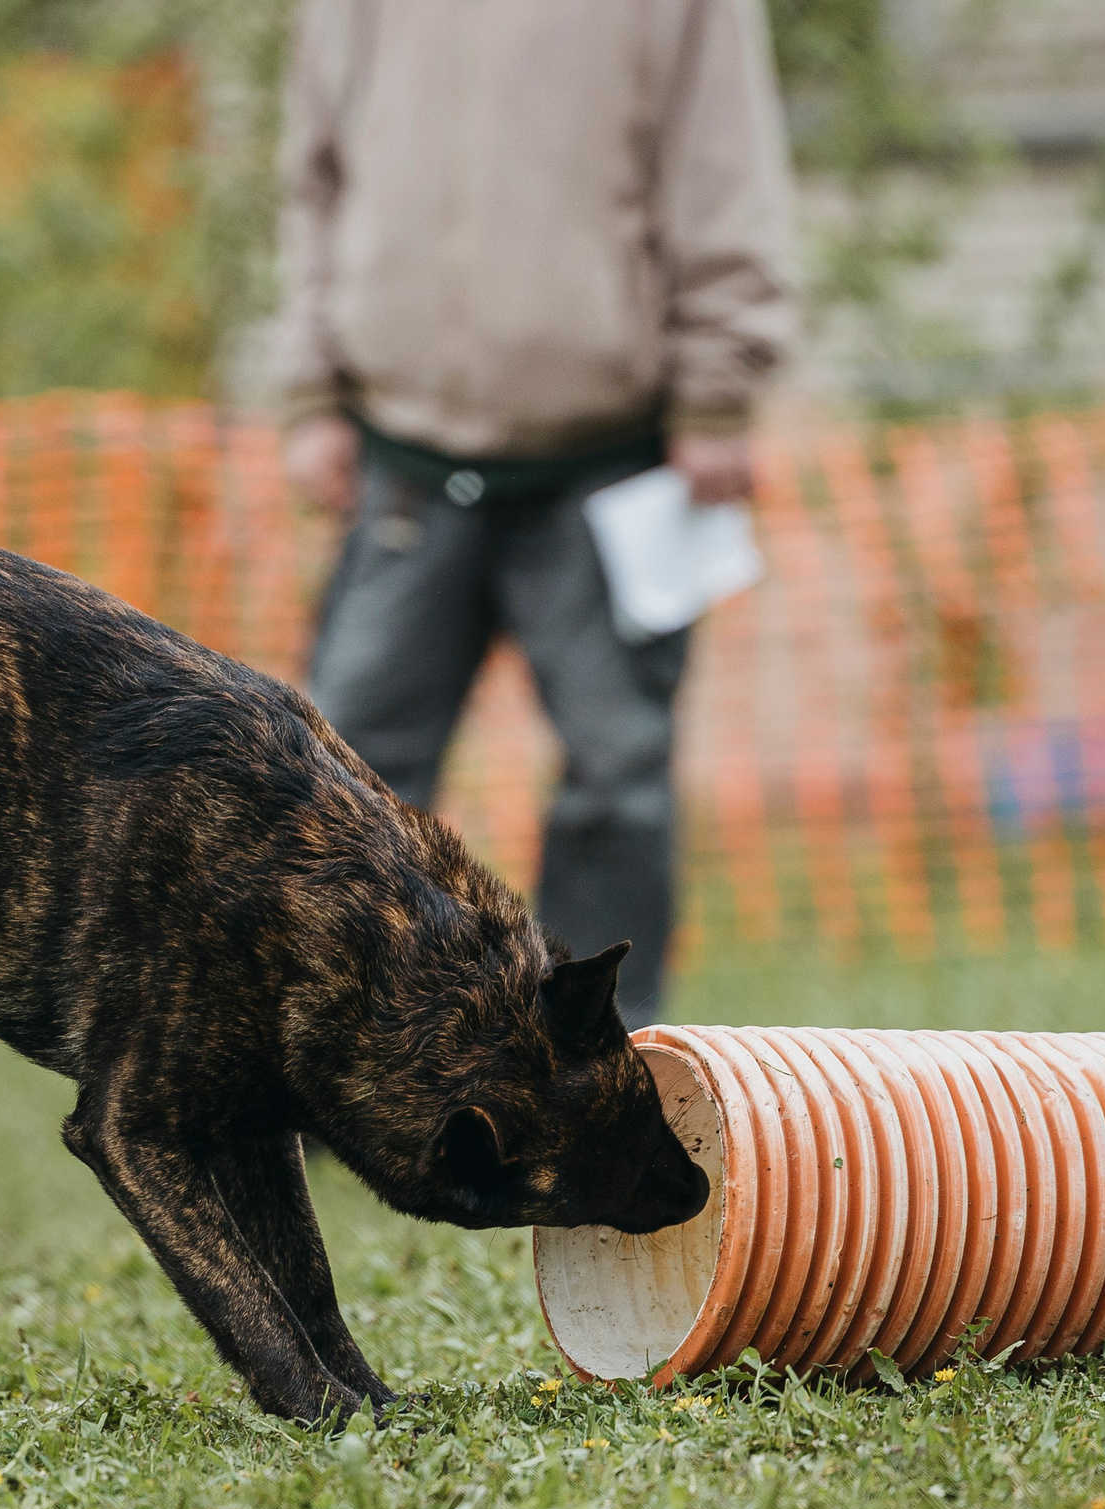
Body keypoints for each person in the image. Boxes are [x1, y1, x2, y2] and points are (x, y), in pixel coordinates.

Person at [275, 0, 794, 1027]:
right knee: (344, 780)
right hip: (404, 454)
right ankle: (330, 1073)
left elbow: (722, 162)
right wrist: (309, 387)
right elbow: (313, 177)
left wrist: (719, 384)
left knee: (617, 780)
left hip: (610, 459)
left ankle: (605, 1068)